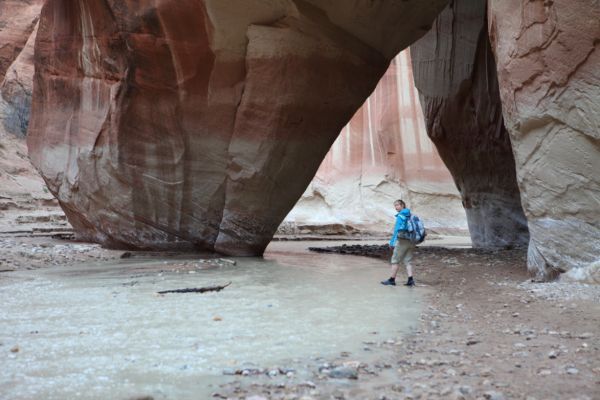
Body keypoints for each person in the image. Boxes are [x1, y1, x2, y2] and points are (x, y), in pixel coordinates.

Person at [381, 199, 415, 287]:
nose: (396, 207)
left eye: (397, 205)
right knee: (408, 260)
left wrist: (392, 242)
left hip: (402, 240)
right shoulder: (410, 215)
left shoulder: (401, 216)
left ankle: (392, 280)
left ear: (402, 205)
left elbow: (397, 230)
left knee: (395, 260)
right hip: (411, 240)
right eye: (395, 206)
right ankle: (410, 280)